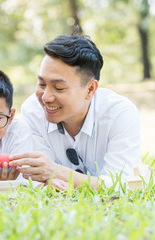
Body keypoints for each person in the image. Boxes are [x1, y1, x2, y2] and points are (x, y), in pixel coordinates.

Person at [10, 32, 141, 189]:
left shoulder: (120, 113)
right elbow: (41, 180)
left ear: (90, 89)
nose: (45, 97)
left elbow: (121, 185)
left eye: (59, 88)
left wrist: (56, 172)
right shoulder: (33, 112)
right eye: (42, 84)